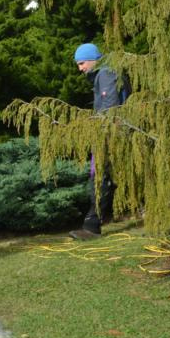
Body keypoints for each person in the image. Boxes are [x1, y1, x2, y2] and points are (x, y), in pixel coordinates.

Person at [70, 42, 127, 240]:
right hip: (111, 134)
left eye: (82, 63)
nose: (80, 69)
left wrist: (101, 134)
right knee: (102, 177)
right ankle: (92, 224)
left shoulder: (106, 74)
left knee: (99, 177)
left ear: (93, 59)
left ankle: (92, 227)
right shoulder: (105, 73)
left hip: (109, 135)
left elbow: (110, 108)